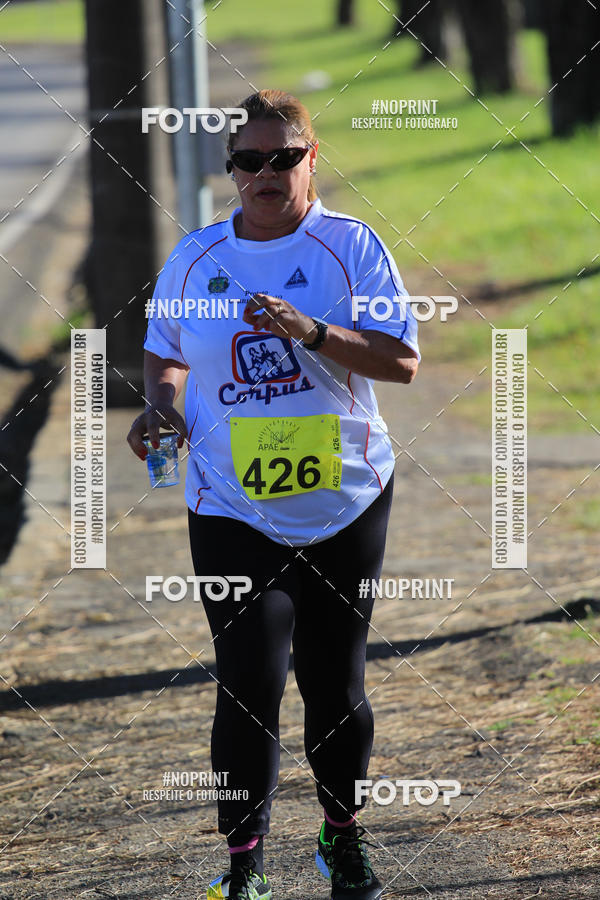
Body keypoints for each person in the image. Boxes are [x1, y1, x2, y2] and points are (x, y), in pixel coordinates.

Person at [127, 89, 420, 900]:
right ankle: (244, 864)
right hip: (230, 504)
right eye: (249, 161)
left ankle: (343, 835)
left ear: (311, 160)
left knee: (335, 683)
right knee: (248, 681)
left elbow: (402, 360)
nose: (266, 173)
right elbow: (166, 356)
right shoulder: (193, 258)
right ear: (232, 171)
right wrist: (162, 407)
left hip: (344, 496)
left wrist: (314, 333)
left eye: (283, 158)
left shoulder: (350, 248)